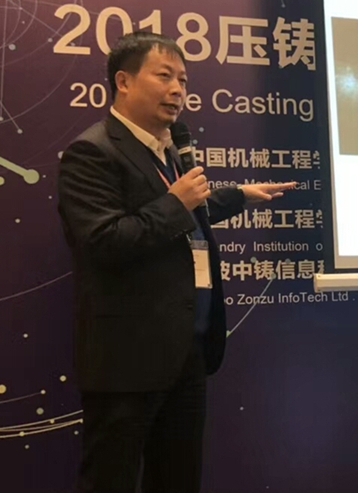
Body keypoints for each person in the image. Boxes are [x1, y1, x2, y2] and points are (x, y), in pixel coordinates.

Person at [56, 31, 295, 493]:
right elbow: (103, 240)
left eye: (183, 80)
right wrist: (175, 203)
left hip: (185, 351)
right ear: (124, 82)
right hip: (127, 361)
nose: (177, 90)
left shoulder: (167, 150)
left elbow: (185, 215)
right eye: (164, 76)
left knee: (178, 480)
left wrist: (238, 196)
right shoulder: (93, 152)